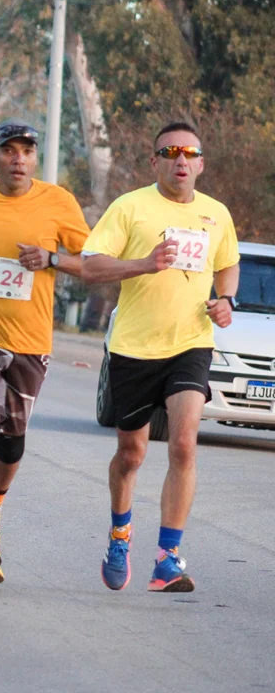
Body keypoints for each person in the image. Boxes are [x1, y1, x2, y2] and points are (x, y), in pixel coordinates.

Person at [82, 122, 239, 593]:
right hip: (134, 348)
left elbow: (228, 263)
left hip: (190, 343)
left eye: (190, 153)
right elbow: (90, 266)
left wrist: (226, 300)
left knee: (184, 443)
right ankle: (119, 534)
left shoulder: (217, 214)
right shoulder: (130, 206)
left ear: (201, 163)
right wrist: (144, 264)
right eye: (170, 152)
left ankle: (167, 557)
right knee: (130, 456)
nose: (181, 160)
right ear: (155, 162)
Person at [0, 119, 90, 585]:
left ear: (34, 158)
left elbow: (88, 259)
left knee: (12, 444)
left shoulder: (58, 202)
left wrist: (51, 259)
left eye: (26, 150)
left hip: (31, 342)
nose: (18, 159)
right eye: (8, 150)